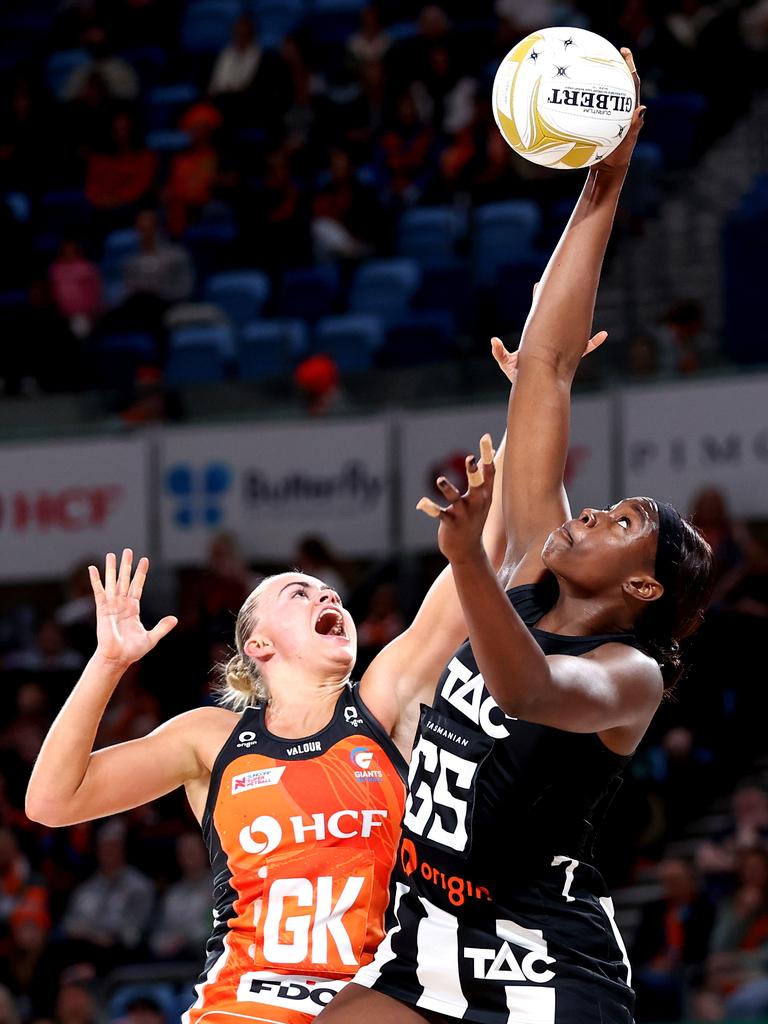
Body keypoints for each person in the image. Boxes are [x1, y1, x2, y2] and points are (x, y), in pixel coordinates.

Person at [318, 50, 714, 1024]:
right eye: (606, 503)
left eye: (622, 523)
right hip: (426, 946)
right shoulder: (530, 565)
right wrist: (603, 183)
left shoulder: (631, 675)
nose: (591, 511)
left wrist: (467, 562)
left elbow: (527, 688)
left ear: (646, 588)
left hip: (549, 973)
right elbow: (543, 370)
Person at [26, 433, 515, 1023]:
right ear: (258, 644)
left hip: (370, 1003)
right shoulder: (211, 739)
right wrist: (107, 663)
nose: (325, 592)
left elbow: (476, 559)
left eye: (327, 590)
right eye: (298, 592)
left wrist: (537, 379)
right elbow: (52, 801)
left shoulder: (382, 704)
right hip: (242, 1004)